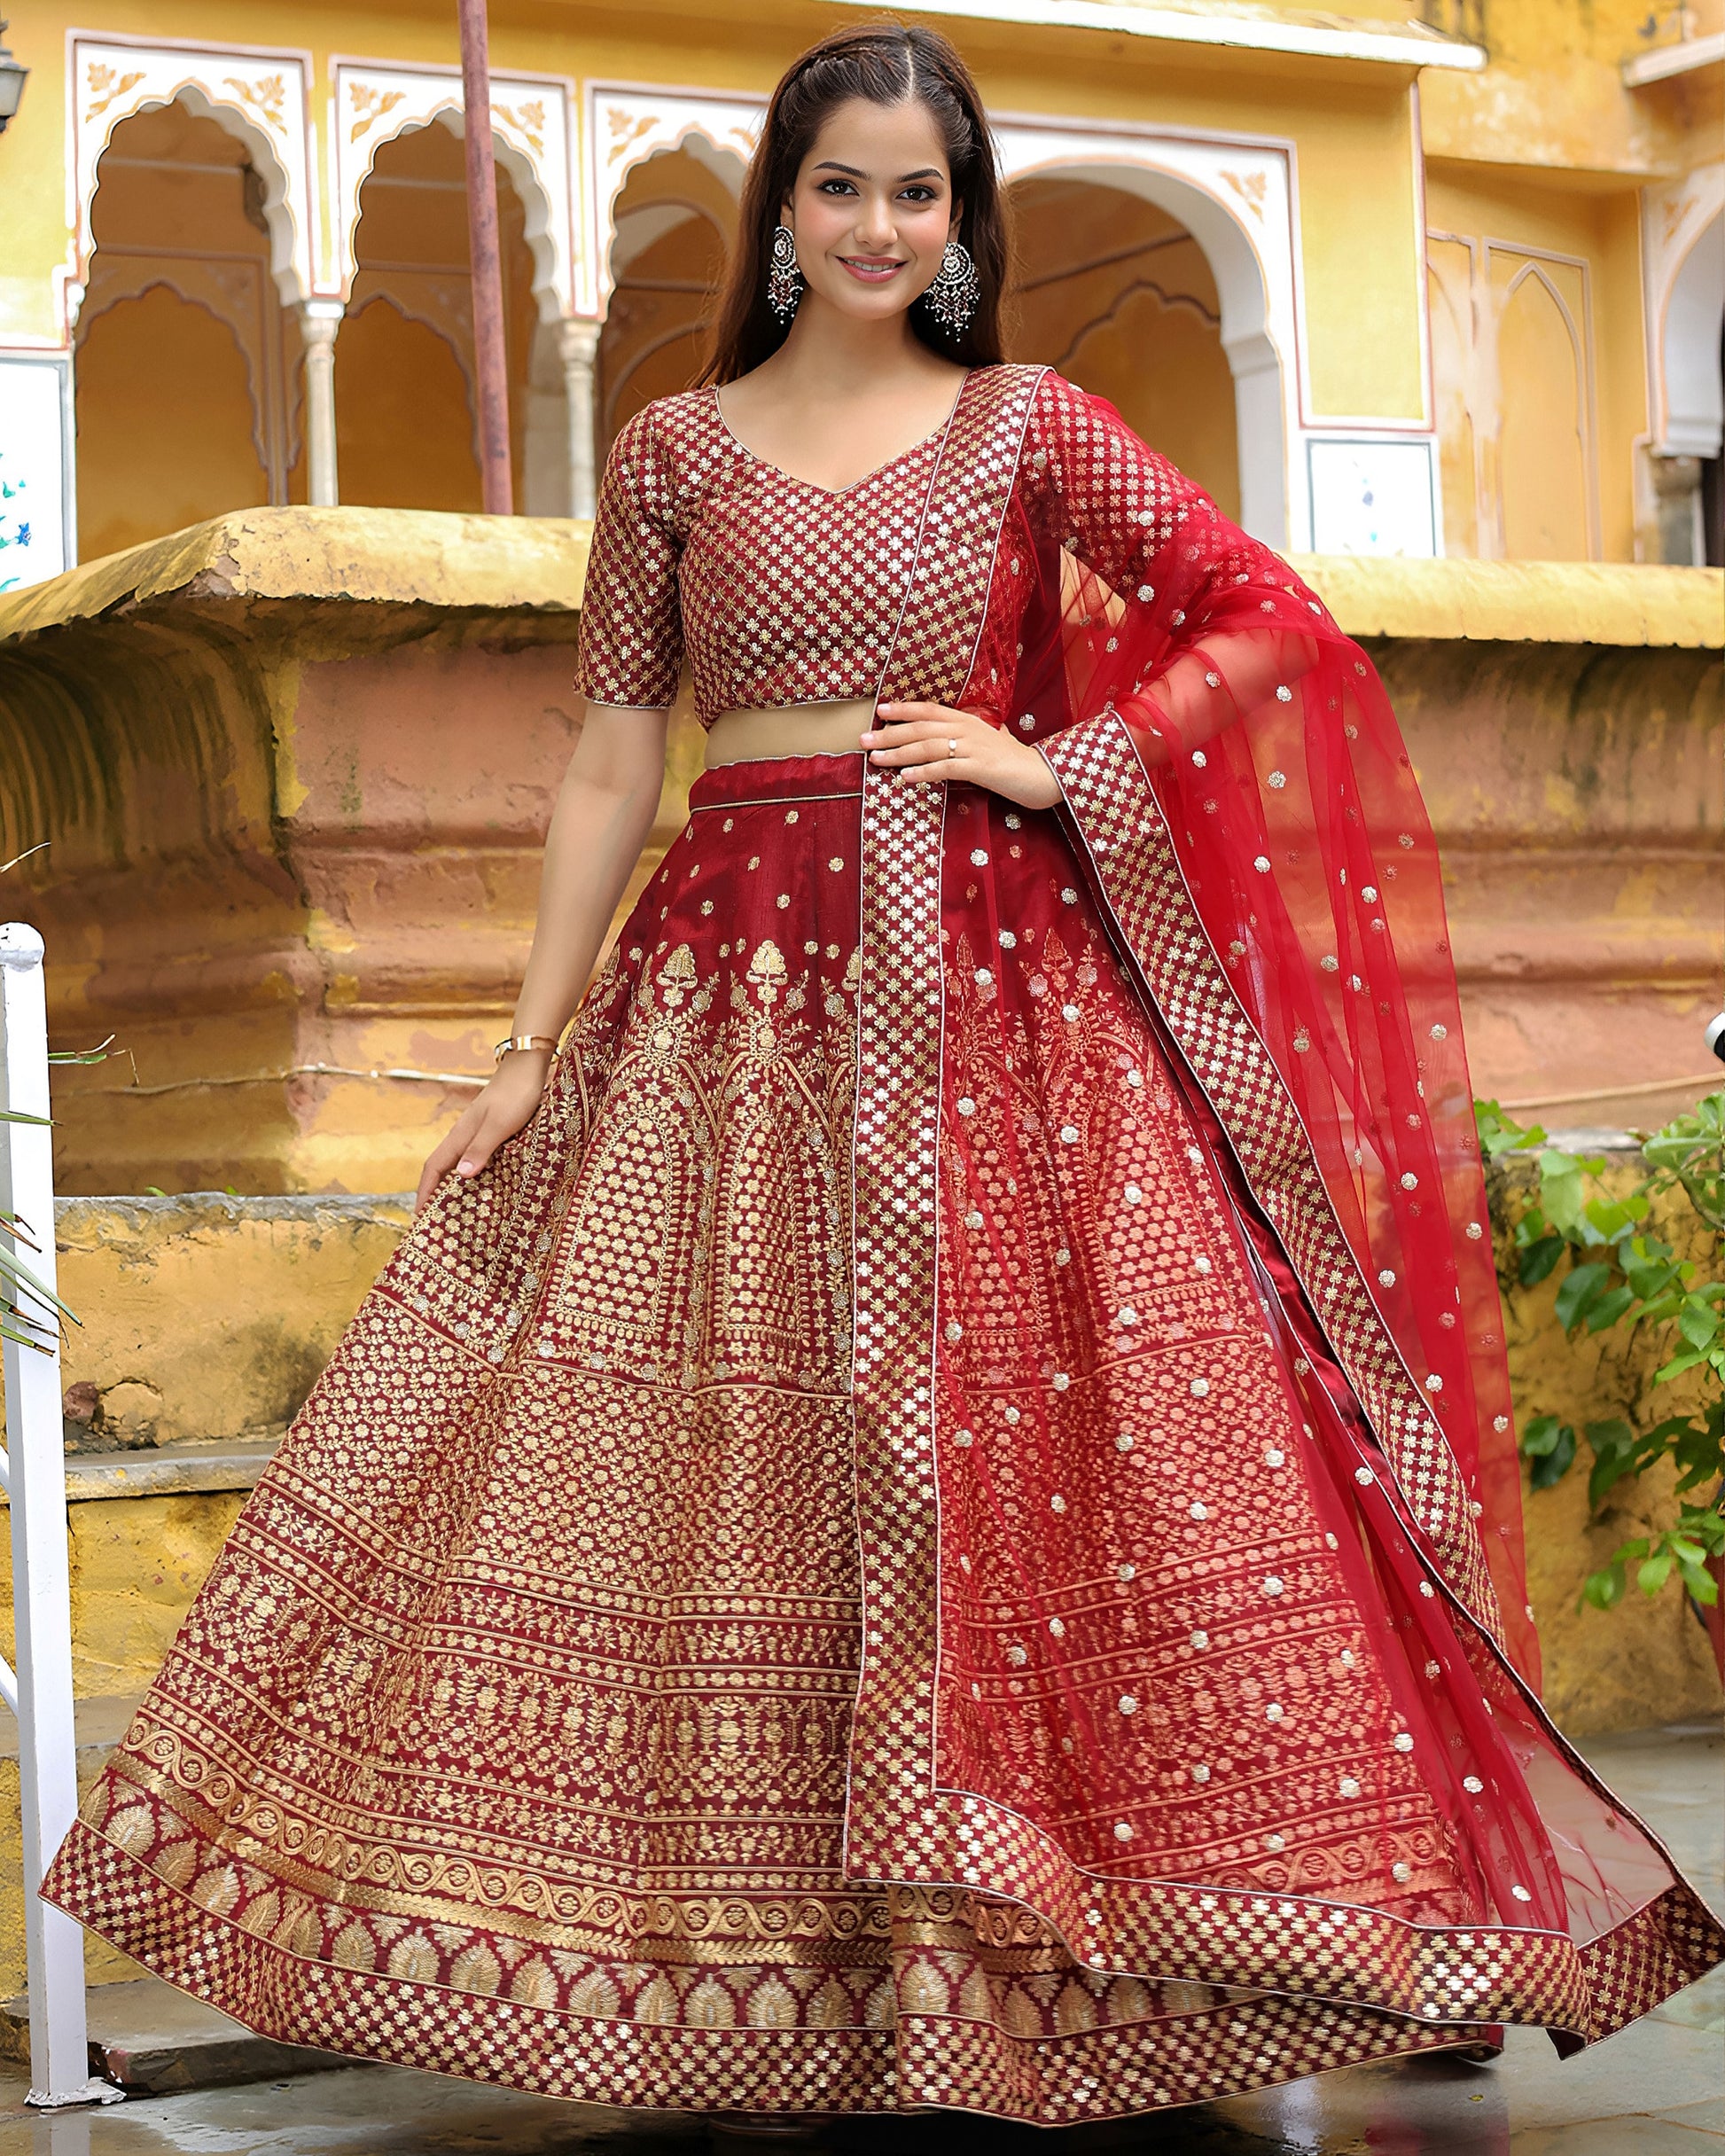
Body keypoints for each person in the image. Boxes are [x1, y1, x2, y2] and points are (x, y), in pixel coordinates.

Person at [43, 23, 1721, 2128]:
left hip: (997, 1000)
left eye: (916, 191)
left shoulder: (1029, 424)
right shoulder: (672, 451)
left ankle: (1153, 1949)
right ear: (782, 206)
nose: (876, 225)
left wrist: (1059, 759)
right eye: (839, 185)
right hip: (726, 1004)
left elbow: (1262, 619)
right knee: (713, 1461)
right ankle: (756, 1984)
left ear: (960, 215)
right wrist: (524, 1047)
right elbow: (610, 760)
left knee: (1061, 1444)